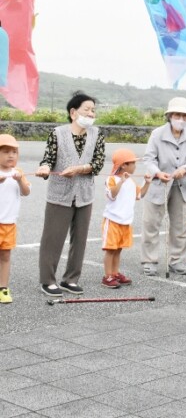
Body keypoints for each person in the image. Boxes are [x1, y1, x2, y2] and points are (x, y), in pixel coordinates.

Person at [36, 92, 106, 297]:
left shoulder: (97, 134)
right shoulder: (57, 133)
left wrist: (80, 169)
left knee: (80, 239)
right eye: (87, 109)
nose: (91, 114)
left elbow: (98, 162)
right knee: (52, 239)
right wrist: (44, 168)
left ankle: (71, 279)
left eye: (93, 110)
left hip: (85, 195)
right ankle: (48, 280)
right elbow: (48, 158)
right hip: (59, 194)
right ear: (73, 112)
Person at [141, 97, 186, 277]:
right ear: (170, 116)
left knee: (180, 225)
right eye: (177, 115)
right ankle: (149, 261)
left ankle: (176, 260)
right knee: (151, 223)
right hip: (159, 183)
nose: (181, 119)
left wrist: (185, 168)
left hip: (181, 184)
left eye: (184, 116)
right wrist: (158, 173)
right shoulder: (157, 134)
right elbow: (148, 159)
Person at [102, 149, 151, 288]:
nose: (135, 166)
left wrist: (147, 183)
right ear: (124, 165)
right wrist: (121, 182)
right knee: (110, 249)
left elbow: (139, 195)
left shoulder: (131, 181)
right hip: (112, 220)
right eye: (133, 163)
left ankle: (115, 273)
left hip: (125, 221)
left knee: (118, 249)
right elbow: (112, 195)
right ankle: (107, 276)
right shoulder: (111, 179)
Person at [0, 135, 31, 304]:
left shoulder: (17, 173)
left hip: (9, 224)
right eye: (6, 152)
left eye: (14, 152)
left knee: (5, 256)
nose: (11, 155)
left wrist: (20, 181)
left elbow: (26, 192)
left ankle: (3, 288)